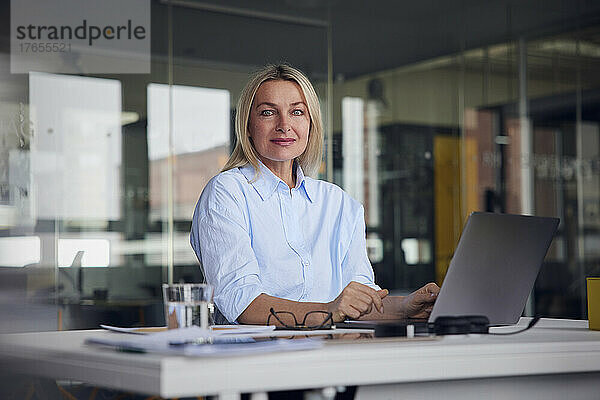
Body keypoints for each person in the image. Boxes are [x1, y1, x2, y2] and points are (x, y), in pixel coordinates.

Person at [190, 64, 439, 325]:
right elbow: (242, 303)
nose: (284, 125)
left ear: (310, 124)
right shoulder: (226, 192)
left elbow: (361, 301)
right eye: (268, 113)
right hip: (254, 358)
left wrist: (405, 307)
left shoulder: (338, 202)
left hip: (328, 355)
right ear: (248, 126)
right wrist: (329, 310)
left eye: (297, 112)